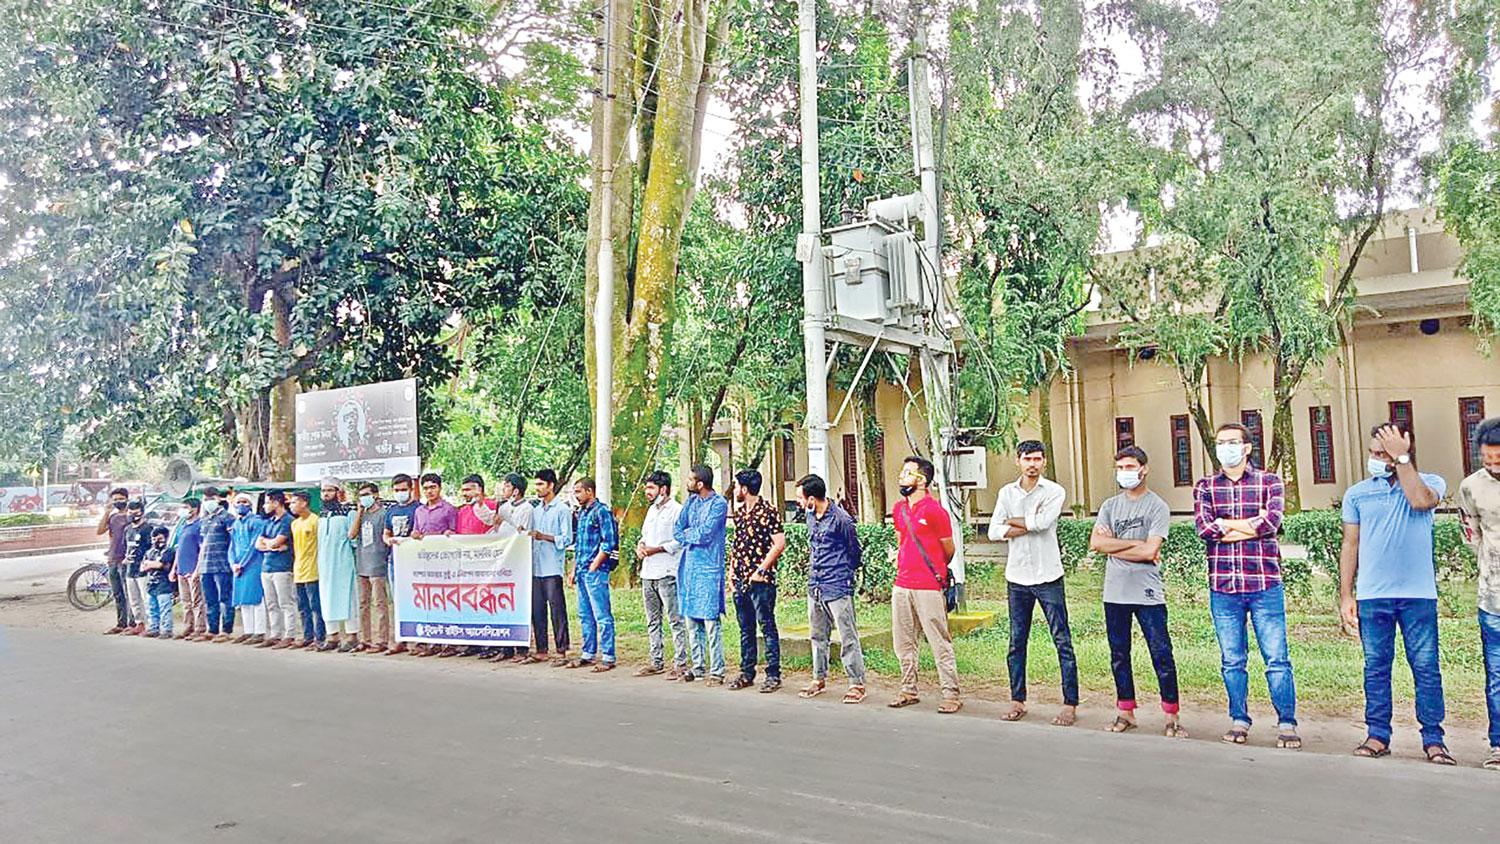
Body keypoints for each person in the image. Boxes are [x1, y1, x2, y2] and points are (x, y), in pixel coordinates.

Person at [1340, 424, 1453, 764]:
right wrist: (1347, 595)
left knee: (1426, 668)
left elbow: (1421, 502)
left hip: (1418, 595)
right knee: (1376, 667)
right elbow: (1351, 543)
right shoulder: (1357, 493)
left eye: (1383, 454)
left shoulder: (1429, 482)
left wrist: (1402, 459)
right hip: (1374, 596)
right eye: (1374, 452)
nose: (1376, 459)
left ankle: (1434, 740)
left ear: (1403, 452)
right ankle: (1377, 735)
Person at [1195, 422, 1299, 749]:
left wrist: (1226, 525)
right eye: (1220, 442)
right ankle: (1239, 719)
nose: (1225, 448)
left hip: (1264, 583)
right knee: (1232, 660)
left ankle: (1287, 722)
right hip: (1223, 586)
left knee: (1277, 659)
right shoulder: (1206, 486)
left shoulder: (1270, 482)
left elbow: (1272, 522)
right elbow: (1204, 528)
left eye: (1231, 442)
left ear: (1247, 448)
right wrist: (1247, 527)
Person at [1090, 446, 1182, 736]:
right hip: (1114, 593)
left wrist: (1116, 546)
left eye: (1130, 467)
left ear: (1144, 469)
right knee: (1119, 654)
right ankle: (1125, 711)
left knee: (1161, 653)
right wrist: (1135, 546)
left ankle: (1171, 714)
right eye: (1120, 468)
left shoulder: (1157, 506)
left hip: (1147, 594)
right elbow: (1097, 544)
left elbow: (1151, 550)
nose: (1125, 473)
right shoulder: (1109, 506)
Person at [989, 440, 1076, 726]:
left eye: (1037, 459)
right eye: (1027, 459)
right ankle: (1017, 700)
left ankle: (1069, 703)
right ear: (1018, 461)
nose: (1032, 464)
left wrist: (1015, 523)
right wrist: (1029, 521)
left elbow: (1043, 523)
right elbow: (993, 531)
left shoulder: (1054, 491)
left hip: (1048, 575)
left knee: (1062, 640)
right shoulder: (1006, 492)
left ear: (1044, 462)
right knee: (1017, 641)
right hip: (1017, 578)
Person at [890, 456, 962, 714]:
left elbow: (948, 549)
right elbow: (901, 540)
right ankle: (908, 689)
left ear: (922, 480)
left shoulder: (935, 511)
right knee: (904, 641)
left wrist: (934, 570)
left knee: (938, 640)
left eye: (907, 472)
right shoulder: (899, 510)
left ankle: (951, 692)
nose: (901, 476)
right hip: (902, 583)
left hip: (929, 586)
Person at [796, 474, 867, 704]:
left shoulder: (841, 520)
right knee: (817, 635)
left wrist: (845, 573)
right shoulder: (810, 516)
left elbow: (854, 551)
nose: (798, 502)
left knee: (847, 635)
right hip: (815, 584)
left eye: (800, 497)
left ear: (812, 498)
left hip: (837, 584)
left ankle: (856, 682)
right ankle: (818, 678)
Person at [1458, 416, 1500, 772]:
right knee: (1497, 675)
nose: (1493, 465)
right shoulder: (1471, 487)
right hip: (1494, 598)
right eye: (1488, 460)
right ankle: (1499, 744)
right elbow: (1470, 534)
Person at [728, 468, 785, 693]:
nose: (735, 491)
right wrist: (732, 571)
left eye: (737, 486)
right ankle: (747, 671)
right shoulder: (740, 513)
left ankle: (773, 674)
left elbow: (779, 543)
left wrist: (761, 569)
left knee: (767, 625)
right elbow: (737, 543)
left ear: (744, 488)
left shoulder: (768, 511)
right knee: (745, 627)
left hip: (761, 580)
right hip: (741, 578)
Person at [674, 465, 729, 685]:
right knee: (690, 621)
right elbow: (677, 529)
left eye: (690, 479)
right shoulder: (691, 502)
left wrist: (688, 535)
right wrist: (689, 535)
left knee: (710, 622)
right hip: (689, 567)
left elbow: (707, 534)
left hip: (708, 568)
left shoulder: (719, 504)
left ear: (700, 483)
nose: (686, 482)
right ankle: (697, 667)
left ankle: (717, 670)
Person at [634, 471, 687, 678]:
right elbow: (644, 536)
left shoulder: (677, 511)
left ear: (663, 489)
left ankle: (680, 663)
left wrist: (657, 549)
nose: (647, 492)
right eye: (646, 488)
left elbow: (680, 540)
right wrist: (641, 547)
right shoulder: (651, 511)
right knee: (652, 620)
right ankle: (656, 661)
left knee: (675, 619)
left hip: (667, 572)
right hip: (648, 573)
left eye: (651, 488)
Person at [568, 477, 618, 672]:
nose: (576, 495)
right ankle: (588, 653)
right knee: (585, 614)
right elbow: (579, 545)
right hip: (582, 569)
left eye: (579, 491)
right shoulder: (581, 513)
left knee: (601, 614)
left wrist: (595, 564)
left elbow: (608, 541)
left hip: (595, 571)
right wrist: (574, 570)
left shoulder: (602, 511)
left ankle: (608, 656)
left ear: (590, 491)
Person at [523, 469, 572, 666]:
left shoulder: (562, 509)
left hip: (552, 566)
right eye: (536, 485)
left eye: (541, 484)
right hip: (535, 567)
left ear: (551, 485)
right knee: (537, 609)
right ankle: (541, 649)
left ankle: (562, 650)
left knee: (557, 609)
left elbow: (567, 538)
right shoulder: (534, 510)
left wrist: (544, 537)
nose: (538, 488)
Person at [487, 472, 535, 662]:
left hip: (518, 564)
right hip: (502, 563)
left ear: (516, 490)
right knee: (502, 604)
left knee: (519, 605)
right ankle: (505, 647)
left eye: (507, 486)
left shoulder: (527, 509)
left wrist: (506, 520)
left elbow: (521, 534)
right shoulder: (504, 508)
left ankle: (521, 648)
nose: (503, 489)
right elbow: (498, 532)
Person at [411, 472, 458, 657]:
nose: (429, 491)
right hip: (425, 565)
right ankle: (434, 641)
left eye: (433, 487)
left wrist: (449, 533)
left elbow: (455, 533)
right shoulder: (419, 511)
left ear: (440, 488)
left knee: (446, 601)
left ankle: (449, 643)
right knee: (429, 602)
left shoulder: (449, 509)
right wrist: (414, 536)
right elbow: (416, 531)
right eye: (426, 488)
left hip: (444, 564)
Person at [454, 474, 499, 658]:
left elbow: (495, 526)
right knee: (470, 602)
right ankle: (473, 641)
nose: (465, 493)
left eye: (469, 489)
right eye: (463, 490)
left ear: (479, 489)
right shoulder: (462, 511)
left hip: (488, 565)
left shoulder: (491, 506)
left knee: (488, 603)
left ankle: (491, 643)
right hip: (467, 564)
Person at [317, 479, 361, 653]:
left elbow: (354, 539)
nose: (326, 494)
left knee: (348, 598)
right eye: (323, 491)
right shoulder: (321, 514)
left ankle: (352, 636)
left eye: (330, 490)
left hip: (343, 563)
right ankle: (332, 636)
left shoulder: (348, 512)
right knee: (327, 598)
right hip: (324, 564)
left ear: (338, 492)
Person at [381, 473, 421, 655]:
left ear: (411, 489)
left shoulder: (419, 509)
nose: (400, 493)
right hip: (394, 561)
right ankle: (400, 639)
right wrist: (388, 540)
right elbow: (385, 533)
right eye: (397, 490)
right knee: (398, 601)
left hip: (413, 562)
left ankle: (418, 640)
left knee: (416, 600)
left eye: (404, 490)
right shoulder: (391, 511)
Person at [350, 482, 391, 654]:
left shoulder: (384, 514)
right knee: (363, 604)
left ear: (375, 495)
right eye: (361, 495)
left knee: (380, 603)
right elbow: (351, 535)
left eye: (366, 494)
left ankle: (382, 639)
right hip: (361, 564)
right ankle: (365, 639)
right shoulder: (361, 515)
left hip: (377, 564)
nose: (364, 498)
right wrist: (360, 512)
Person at [255, 491, 299, 650]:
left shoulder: (288, 521)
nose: (265, 506)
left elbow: (276, 542)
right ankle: (275, 634)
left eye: (267, 502)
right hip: (266, 567)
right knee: (271, 603)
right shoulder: (269, 522)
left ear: (276, 502)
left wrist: (272, 545)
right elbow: (258, 544)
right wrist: (272, 545)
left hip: (282, 567)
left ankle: (290, 634)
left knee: (286, 602)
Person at [197, 487, 236, 642]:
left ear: (218, 499)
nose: (207, 502)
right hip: (206, 566)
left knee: (225, 598)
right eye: (205, 499)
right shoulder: (205, 520)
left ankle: (226, 630)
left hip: (223, 565)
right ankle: (212, 629)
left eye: (210, 498)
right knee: (210, 599)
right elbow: (202, 544)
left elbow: (234, 541)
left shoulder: (227, 518)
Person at [289, 490, 326, 650]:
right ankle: (307, 636)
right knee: (303, 607)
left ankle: (320, 637)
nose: (292, 505)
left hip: (313, 571)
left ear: (304, 503)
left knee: (315, 606)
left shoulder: (315, 521)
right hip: (299, 571)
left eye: (294, 502)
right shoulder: (295, 523)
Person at [229, 492, 267, 645]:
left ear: (250, 505)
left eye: (245, 502)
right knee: (243, 599)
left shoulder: (257, 522)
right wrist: (233, 563)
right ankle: (248, 630)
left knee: (256, 598)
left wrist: (242, 564)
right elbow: (231, 547)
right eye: (239, 502)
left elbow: (254, 545)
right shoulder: (236, 524)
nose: (241, 505)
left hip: (253, 564)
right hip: (238, 566)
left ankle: (259, 631)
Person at [98, 486, 135, 634]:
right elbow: (100, 531)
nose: (118, 502)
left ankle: (133, 623)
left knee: (129, 592)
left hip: (126, 559)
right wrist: (107, 511)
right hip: (113, 559)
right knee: (117, 593)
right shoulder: (113, 517)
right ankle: (121, 623)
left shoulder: (131, 516)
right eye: (115, 500)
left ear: (127, 499)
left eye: (121, 499)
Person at [170, 497, 206, 640]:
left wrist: (197, 569)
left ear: (195, 509)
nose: (183, 510)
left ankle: (200, 627)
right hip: (182, 569)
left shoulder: (199, 525)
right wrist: (174, 568)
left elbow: (202, 548)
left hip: (193, 568)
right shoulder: (183, 526)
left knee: (197, 600)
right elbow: (179, 549)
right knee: (186, 600)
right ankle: (188, 625)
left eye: (186, 507)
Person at [122, 499, 153, 637]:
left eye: (136, 512)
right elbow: (126, 547)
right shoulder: (127, 529)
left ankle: (152, 625)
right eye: (130, 512)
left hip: (143, 569)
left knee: (146, 598)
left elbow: (151, 549)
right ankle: (139, 623)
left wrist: (146, 563)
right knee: (133, 599)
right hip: (130, 569)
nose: (132, 515)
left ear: (142, 513)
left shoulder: (148, 529)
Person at [141, 527, 177, 639]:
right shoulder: (150, 552)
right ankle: (153, 628)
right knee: (152, 607)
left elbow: (161, 565)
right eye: (154, 538)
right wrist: (152, 564)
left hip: (164, 584)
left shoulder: (169, 550)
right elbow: (142, 567)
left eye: (160, 538)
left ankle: (167, 630)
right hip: (152, 584)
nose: (156, 541)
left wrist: (150, 564)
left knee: (165, 608)